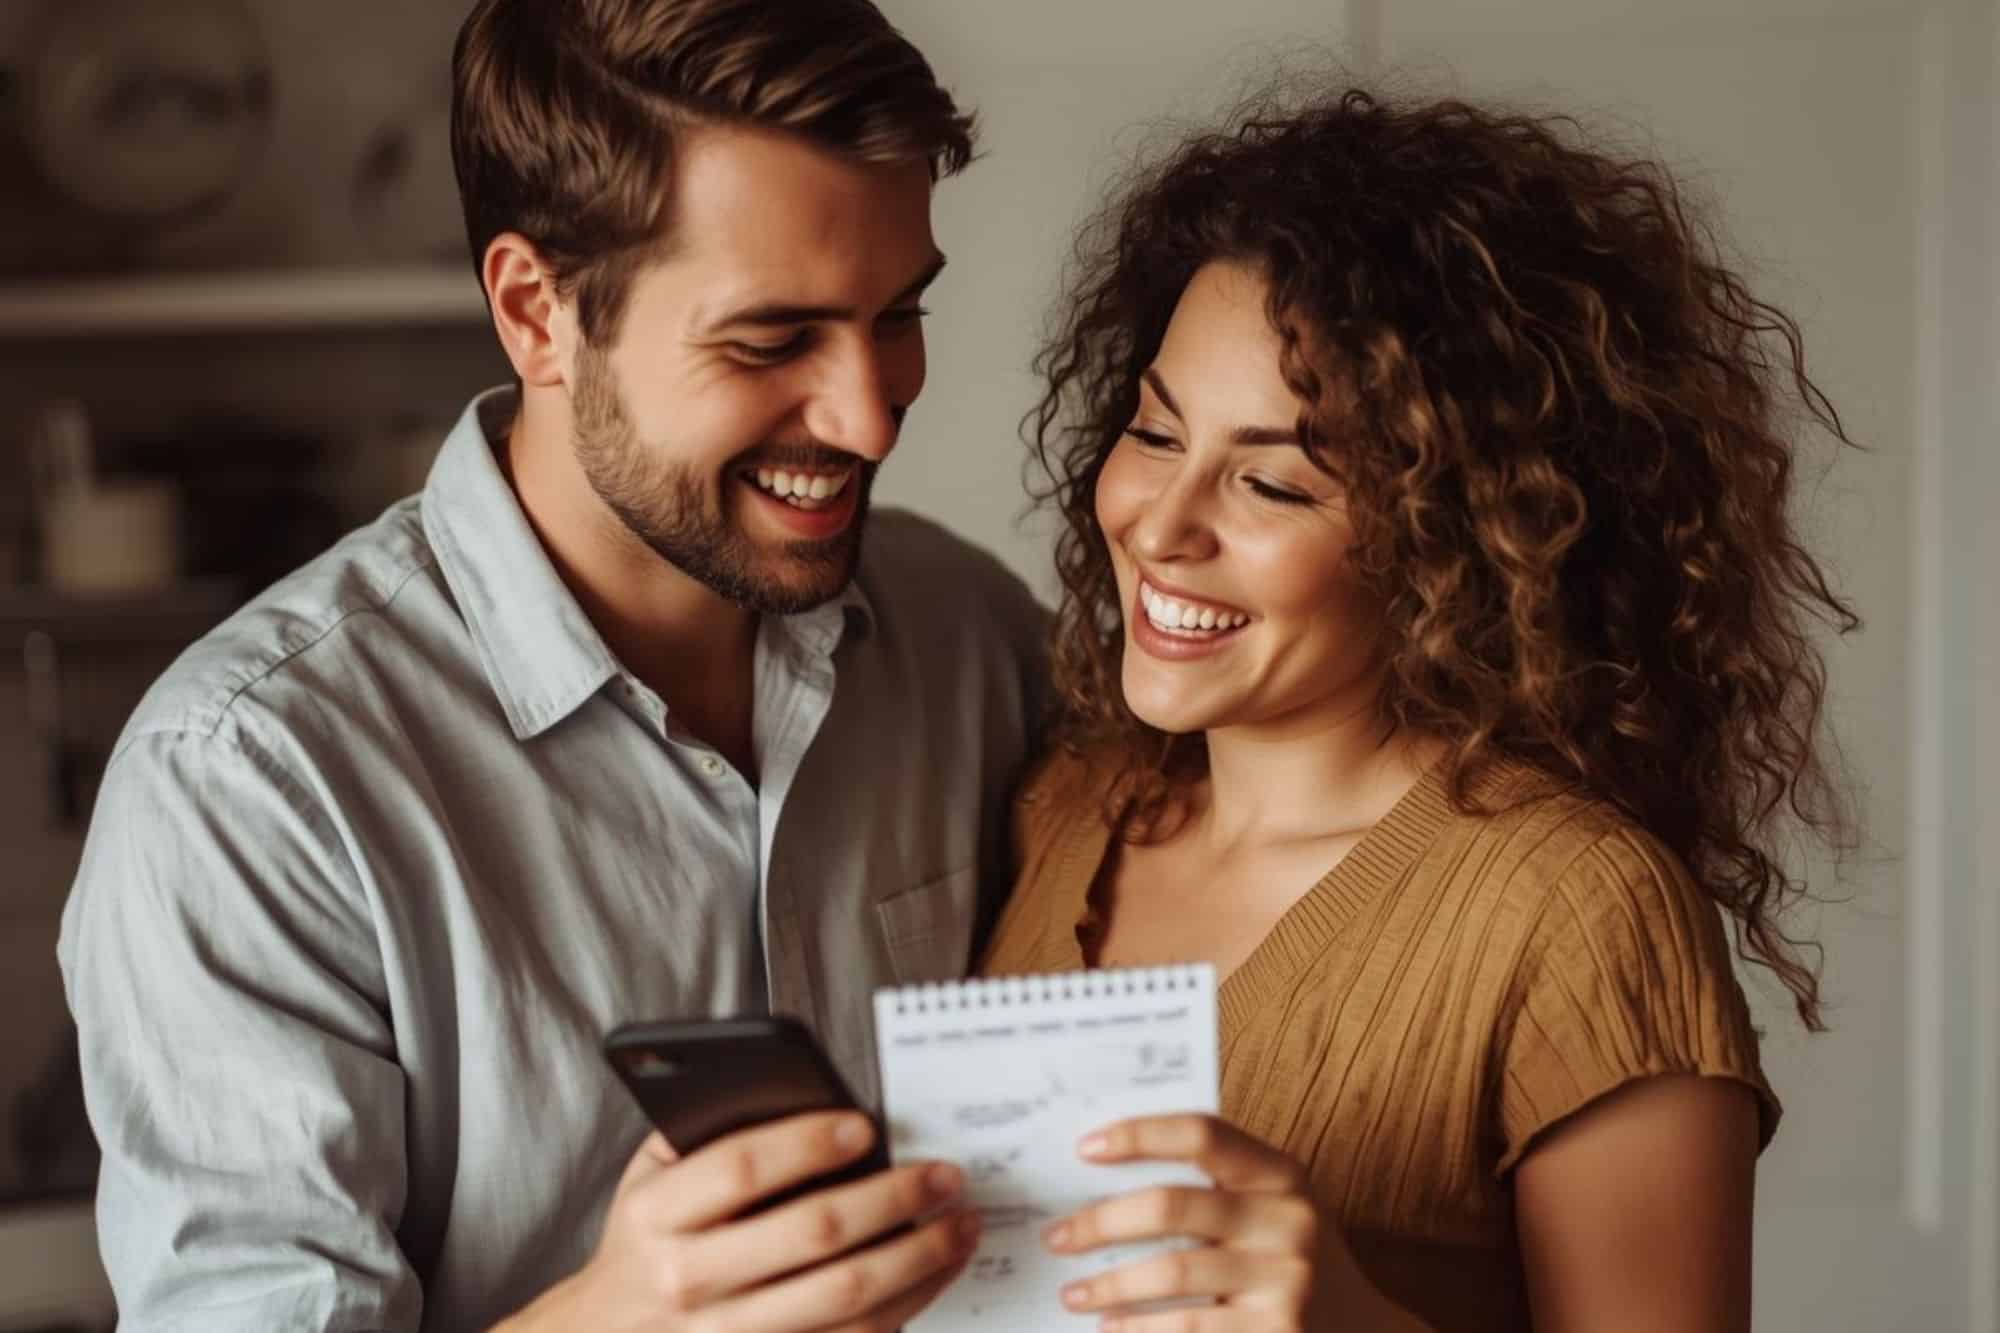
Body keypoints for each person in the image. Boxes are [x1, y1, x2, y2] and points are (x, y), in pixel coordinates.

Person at [57, 2, 1048, 1329]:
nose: (868, 414)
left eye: (898, 314)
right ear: (537, 313)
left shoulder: (971, 633)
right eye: (770, 340)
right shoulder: (248, 784)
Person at [981, 86, 1858, 1332]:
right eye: (1153, 429)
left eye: (1274, 486)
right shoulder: (1058, 808)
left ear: (1460, 537)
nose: (1160, 527)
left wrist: (1348, 1316)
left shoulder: (1576, 911)